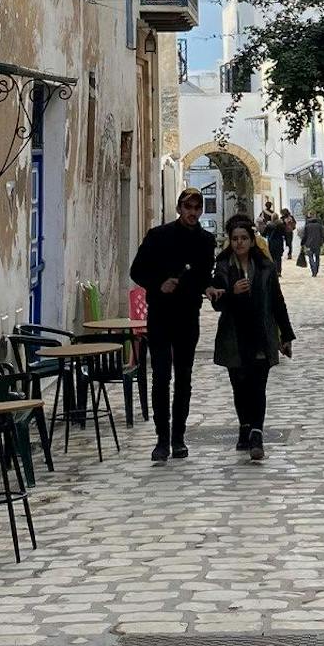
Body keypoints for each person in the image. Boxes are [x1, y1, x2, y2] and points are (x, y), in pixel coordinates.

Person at [129, 187, 216, 463]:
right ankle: (161, 438)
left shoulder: (206, 241)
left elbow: (203, 275)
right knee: (161, 377)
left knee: (185, 378)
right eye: (188, 207)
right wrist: (159, 284)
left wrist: (207, 288)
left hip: (188, 315)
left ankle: (179, 437)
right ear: (179, 208)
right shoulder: (158, 236)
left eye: (197, 208)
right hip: (161, 315)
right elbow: (137, 270)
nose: (192, 212)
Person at [207, 212, 294, 460]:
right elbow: (217, 306)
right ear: (230, 241)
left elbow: (278, 302)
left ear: (251, 240)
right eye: (235, 238)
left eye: (244, 237)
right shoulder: (223, 267)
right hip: (234, 336)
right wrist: (231, 292)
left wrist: (285, 335)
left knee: (258, 386)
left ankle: (256, 434)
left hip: (260, 333)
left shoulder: (265, 267)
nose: (240, 243)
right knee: (239, 386)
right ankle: (244, 426)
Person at [300, 207, 324, 277]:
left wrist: (302, 243)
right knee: (317, 257)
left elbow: (304, 236)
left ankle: (313, 270)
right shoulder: (319, 225)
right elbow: (323, 234)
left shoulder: (307, 226)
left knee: (310, 257)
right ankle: (316, 269)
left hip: (309, 244)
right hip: (318, 243)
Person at [265, 206, 289, 276]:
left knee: (272, 257)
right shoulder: (281, 225)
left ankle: (273, 270)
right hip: (279, 242)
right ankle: (279, 271)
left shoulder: (269, 225)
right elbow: (285, 234)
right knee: (278, 258)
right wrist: (287, 243)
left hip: (271, 242)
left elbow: (264, 233)